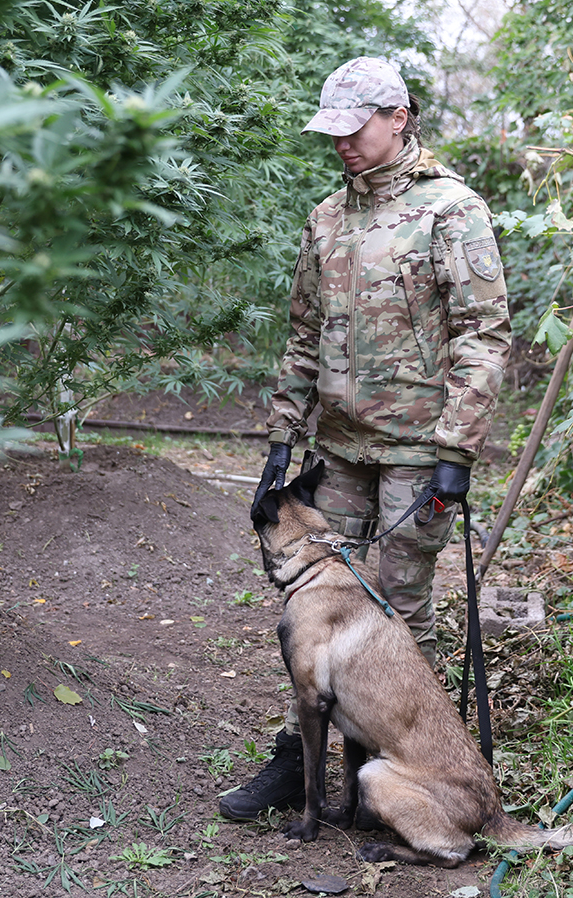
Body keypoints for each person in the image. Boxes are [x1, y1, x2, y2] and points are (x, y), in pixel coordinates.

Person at [218, 56, 511, 821]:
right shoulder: (326, 217)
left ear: (398, 117)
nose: (343, 143)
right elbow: (304, 335)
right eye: (334, 131)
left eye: (355, 128)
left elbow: (484, 336)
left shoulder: (450, 209)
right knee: (314, 609)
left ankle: (391, 772)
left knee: (400, 615)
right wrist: (283, 438)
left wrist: (457, 450)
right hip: (339, 451)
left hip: (419, 451)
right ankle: (299, 761)